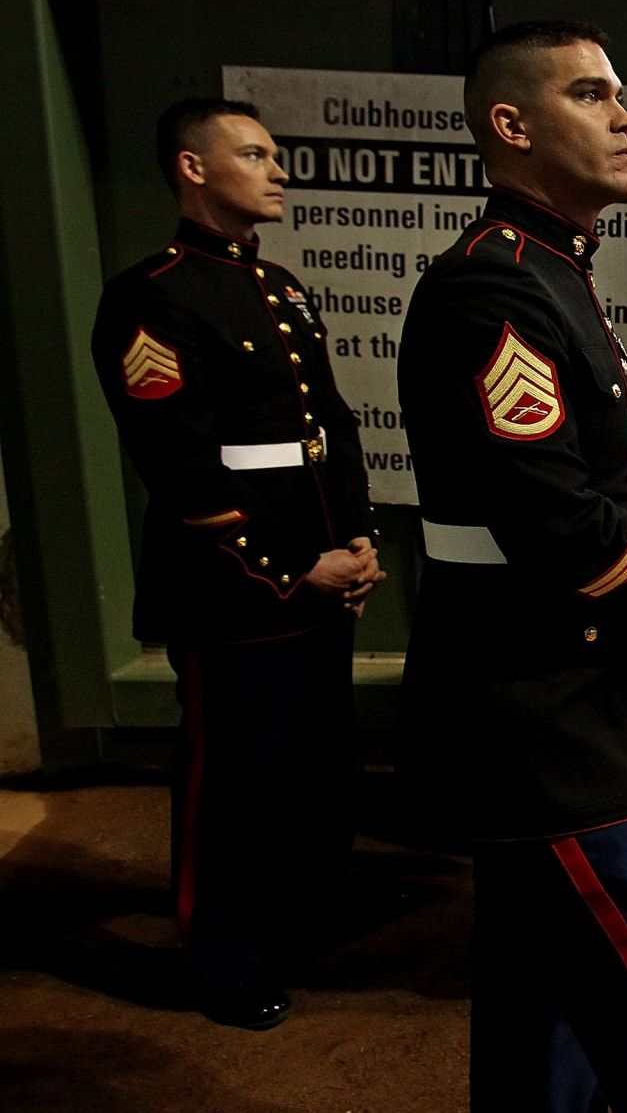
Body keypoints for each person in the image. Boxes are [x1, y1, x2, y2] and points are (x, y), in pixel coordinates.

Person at [397, 21, 627, 1111]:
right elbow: (564, 529)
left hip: (546, 693)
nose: (625, 114)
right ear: (510, 127)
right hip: (540, 714)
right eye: (591, 94)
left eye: (623, 95)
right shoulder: (495, 288)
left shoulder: (545, 272)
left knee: (538, 1008)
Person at [91, 98, 384, 1031]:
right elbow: (177, 461)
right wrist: (292, 565)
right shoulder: (155, 295)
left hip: (321, 578)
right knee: (232, 782)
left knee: (311, 769)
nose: (277, 170)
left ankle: (295, 921)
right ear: (192, 167)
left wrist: (361, 537)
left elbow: (327, 427)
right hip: (235, 589)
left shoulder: (283, 288)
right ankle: (219, 954)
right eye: (254, 154)